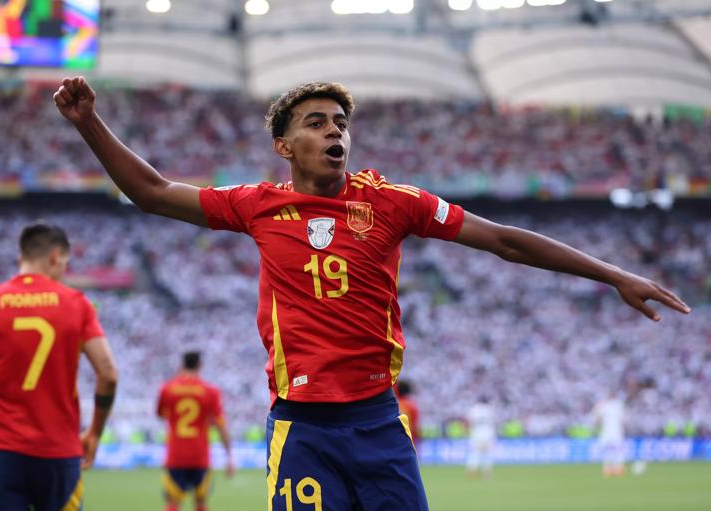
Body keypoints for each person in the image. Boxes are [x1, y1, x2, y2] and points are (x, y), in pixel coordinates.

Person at [54, 76, 690, 510]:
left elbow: (502, 239)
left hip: (380, 422)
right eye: (316, 123)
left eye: (341, 122)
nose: (336, 131)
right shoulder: (257, 206)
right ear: (285, 145)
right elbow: (152, 192)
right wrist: (89, 123)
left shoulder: (391, 202)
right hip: (301, 427)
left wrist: (613, 274)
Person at [0, 222, 118, 510]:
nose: (64, 271)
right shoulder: (77, 305)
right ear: (55, 256)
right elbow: (109, 374)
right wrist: (95, 433)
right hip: (60, 454)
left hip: (3, 453)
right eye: (65, 263)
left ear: (21, 259)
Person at [157, 351, 233, 511]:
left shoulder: (167, 389)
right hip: (200, 455)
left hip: (176, 454)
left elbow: (161, 414)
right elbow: (220, 424)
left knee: (172, 503)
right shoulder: (210, 391)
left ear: (182, 365)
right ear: (200, 365)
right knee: (201, 503)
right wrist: (229, 456)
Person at [592, 391, 626, 477]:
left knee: (609, 450)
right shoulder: (618, 405)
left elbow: (596, 417)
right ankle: (615, 468)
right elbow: (623, 419)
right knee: (616, 450)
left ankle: (611, 468)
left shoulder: (605, 405)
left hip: (609, 431)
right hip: (614, 431)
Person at [466, 396, 496, 479]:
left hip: (476, 434)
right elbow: (493, 422)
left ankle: (471, 471)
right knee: (487, 455)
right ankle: (487, 473)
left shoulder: (474, 409)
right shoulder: (489, 409)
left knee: (475, 454)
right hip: (488, 434)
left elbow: (470, 421)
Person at [395, 380, 420, 446]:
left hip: (395, 439)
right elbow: (415, 427)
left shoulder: (394, 404)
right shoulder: (412, 405)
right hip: (409, 441)